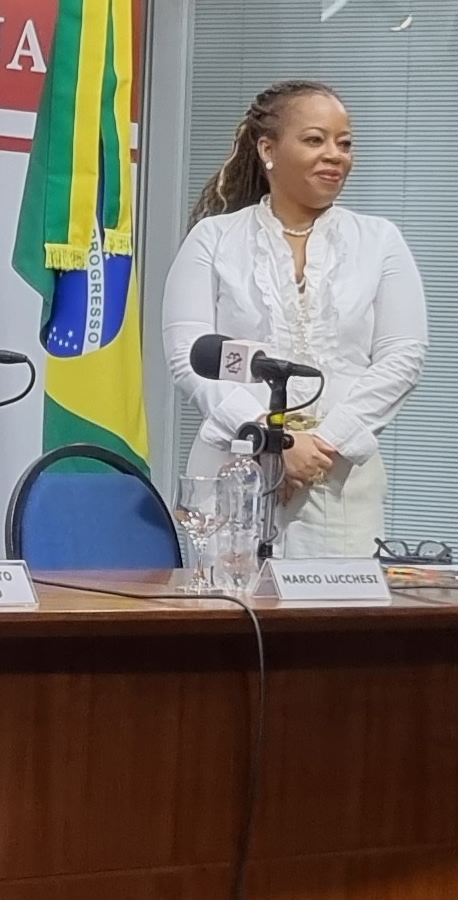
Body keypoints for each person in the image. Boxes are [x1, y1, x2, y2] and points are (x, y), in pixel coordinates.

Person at [161, 79, 427, 556]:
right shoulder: (213, 239)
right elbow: (189, 357)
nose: (335, 155)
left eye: (344, 144)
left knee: (334, 605)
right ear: (268, 149)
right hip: (234, 468)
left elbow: (402, 358)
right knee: (232, 599)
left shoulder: (380, 241)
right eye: (315, 140)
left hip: (338, 477)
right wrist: (272, 442)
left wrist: (320, 445)